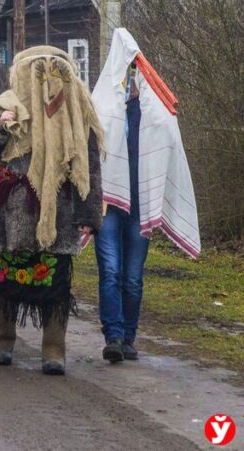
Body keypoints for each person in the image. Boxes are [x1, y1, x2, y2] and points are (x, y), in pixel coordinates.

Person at [0, 46, 103, 376]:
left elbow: (89, 168)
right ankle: (2, 340)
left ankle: (54, 350)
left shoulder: (77, 113)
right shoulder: (5, 105)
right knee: (5, 280)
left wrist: (89, 218)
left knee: (55, 285)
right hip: (8, 213)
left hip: (58, 215)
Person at [91, 28, 200, 363]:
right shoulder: (101, 105)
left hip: (141, 202)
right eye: (126, 74)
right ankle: (113, 336)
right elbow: (88, 152)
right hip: (109, 203)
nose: (130, 81)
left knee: (133, 276)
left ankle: (129, 337)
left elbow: (169, 146)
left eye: (135, 74)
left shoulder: (156, 110)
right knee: (110, 270)